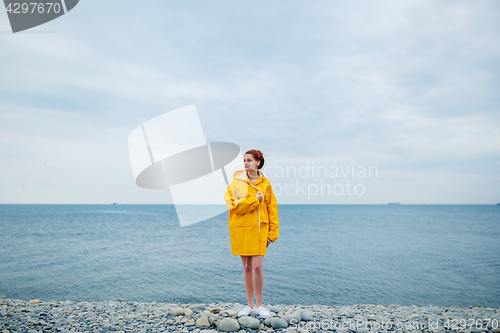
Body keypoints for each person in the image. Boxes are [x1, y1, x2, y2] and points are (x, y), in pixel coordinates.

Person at [223, 149, 280, 319]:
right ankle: (249, 305)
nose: (245, 163)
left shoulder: (266, 184)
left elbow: (272, 209)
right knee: (247, 267)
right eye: (244, 160)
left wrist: (273, 233)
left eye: (249, 160)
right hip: (241, 229)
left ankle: (260, 305)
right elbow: (234, 205)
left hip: (260, 230)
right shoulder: (236, 182)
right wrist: (256, 200)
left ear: (258, 163)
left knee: (258, 267)